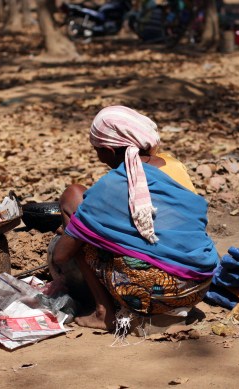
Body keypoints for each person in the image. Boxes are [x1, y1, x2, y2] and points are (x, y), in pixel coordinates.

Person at [50, 106, 219, 330]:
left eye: (97, 150)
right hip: (200, 283)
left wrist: (75, 231)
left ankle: (104, 312)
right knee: (90, 226)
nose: (97, 157)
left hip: (159, 293)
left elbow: (61, 256)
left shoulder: (111, 185)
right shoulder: (172, 166)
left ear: (109, 151)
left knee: (79, 228)